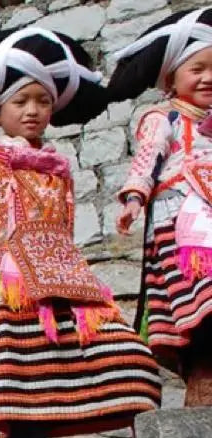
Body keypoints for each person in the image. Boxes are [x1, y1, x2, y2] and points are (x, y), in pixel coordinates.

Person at [0, 27, 161, 438]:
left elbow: (66, 226)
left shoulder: (59, 170)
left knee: (122, 352)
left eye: (42, 100)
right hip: (11, 278)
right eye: (21, 101)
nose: (33, 110)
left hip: (67, 276)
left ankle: (138, 433)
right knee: (20, 370)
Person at [110, 8, 212, 405]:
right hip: (181, 222)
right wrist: (134, 198)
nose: (208, 78)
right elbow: (146, 161)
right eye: (197, 69)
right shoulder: (163, 118)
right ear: (171, 78)